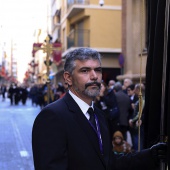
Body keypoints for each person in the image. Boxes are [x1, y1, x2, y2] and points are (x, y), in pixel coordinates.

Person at [32, 48, 167, 170]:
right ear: (68, 78)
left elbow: (108, 162)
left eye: (97, 70)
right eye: (85, 71)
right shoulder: (52, 117)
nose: (94, 76)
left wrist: (149, 155)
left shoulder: (99, 115)